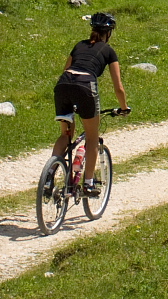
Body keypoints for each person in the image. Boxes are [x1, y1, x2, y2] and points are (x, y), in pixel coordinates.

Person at [52, 12, 130, 197]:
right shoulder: (108, 51)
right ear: (108, 33)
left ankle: (49, 177)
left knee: (65, 134)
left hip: (63, 85)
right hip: (85, 86)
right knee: (92, 137)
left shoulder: (79, 45)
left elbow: (66, 70)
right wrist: (124, 108)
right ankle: (88, 183)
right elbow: (118, 87)